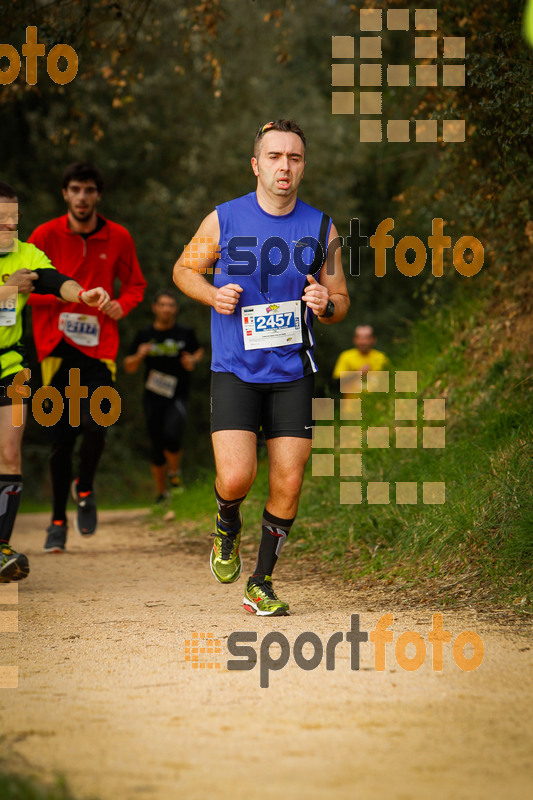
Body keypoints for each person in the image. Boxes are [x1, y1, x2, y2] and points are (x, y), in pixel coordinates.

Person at [173, 119, 349, 616]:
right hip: (235, 368)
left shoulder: (321, 228)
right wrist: (212, 294)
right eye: (274, 157)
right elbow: (183, 269)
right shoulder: (224, 219)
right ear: (256, 164)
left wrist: (325, 301)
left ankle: (261, 581)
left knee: (288, 481)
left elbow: (341, 300)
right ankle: (227, 522)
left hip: (293, 370)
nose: (284, 166)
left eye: (294, 157)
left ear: (303, 166)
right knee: (236, 478)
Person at [27, 162, 147, 553]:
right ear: (65, 194)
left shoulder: (119, 237)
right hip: (54, 348)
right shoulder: (43, 236)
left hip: (99, 348)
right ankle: (58, 521)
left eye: (89, 190)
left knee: (99, 422)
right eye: (75, 189)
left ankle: (86, 486)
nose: (82, 197)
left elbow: (135, 285)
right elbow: (26, 288)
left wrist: (120, 306)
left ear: (98, 195)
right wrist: (69, 295)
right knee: (61, 439)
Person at [0, 180, 110, 581]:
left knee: (10, 455)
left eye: (13, 218)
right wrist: (8, 291)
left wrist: (83, 295)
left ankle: (1, 548)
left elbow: (54, 280)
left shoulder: (26, 254)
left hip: (9, 370)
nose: (8, 226)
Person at [124, 289, 203, 503]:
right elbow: (128, 366)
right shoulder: (144, 334)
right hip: (152, 397)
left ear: (175, 309)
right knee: (156, 445)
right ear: (155, 308)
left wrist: (193, 361)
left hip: (178, 394)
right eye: (162, 304)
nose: (166, 308)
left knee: (172, 435)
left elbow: (198, 351)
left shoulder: (185, 333)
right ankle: (161, 493)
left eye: (170, 305)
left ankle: (174, 475)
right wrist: (139, 355)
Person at [332, 325, 390, 391]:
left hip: (376, 400)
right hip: (352, 401)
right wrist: (358, 373)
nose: (363, 342)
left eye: (366, 337)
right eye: (359, 337)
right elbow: (336, 384)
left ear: (373, 339)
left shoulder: (382, 357)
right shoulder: (346, 356)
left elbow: (390, 382)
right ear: (354, 339)